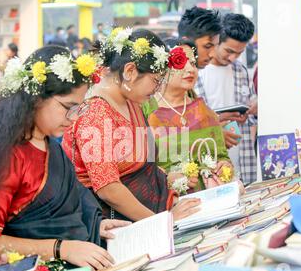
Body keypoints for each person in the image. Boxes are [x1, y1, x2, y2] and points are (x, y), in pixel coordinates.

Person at [0, 45, 130, 271]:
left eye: (78, 109)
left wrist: (95, 225)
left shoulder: (52, 146)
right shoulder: (5, 156)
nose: (73, 117)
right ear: (37, 98)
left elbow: (66, 213)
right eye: (68, 107)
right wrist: (60, 248)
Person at [62, 28, 201, 222]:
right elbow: (109, 189)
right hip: (123, 226)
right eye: (155, 80)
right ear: (130, 71)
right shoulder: (95, 114)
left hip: (153, 212)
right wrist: (161, 223)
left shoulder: (131, 101)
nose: (156, 89)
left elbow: (141, 164)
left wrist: (168, 178)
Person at [142, 38, 235, 192]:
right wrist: (167, 179)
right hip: (169, 206)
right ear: (161, 68)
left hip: (211, 201)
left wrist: (224, 166)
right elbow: (141, 171)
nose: (190, 69)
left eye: (192, 63)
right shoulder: (147, 112)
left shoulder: (203, 110)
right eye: (180, 62)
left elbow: (222, 156)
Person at [196, 13, 257, 185]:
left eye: (239, 53)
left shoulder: (241, 71)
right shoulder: (196, 73)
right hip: (207, 164)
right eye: (229, 51)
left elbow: (251, 116)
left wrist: (254, 108)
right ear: (216, 41)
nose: (233, 58)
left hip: (241, 161)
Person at [178, 8, 243, 154]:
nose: (213, 53)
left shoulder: (188, 86)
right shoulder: (166, 86)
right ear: (185, 43)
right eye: (207, 46)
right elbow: (162, 142)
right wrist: (214, 135)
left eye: (215, 46)